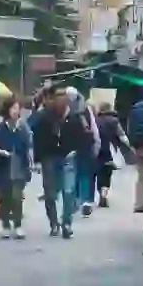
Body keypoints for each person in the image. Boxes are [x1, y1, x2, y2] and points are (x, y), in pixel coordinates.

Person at [31, 90, 82, 239]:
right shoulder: (45, 117)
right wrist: (38, 160)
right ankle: (54, 223)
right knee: (50, 193)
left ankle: (66, 223)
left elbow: (81, 136)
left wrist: (76, 150)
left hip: (68, 157)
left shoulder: (74, 117)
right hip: (49, 157)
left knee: (68, 191)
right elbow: (37, 138)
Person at [0, 97, 32, 239]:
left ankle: (18, 225)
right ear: (7, 110)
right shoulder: (0, 127)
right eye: (13, 108)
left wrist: (31, 162)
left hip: (19, 165)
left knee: (17, 197)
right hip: (3, 166)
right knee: (5, 197)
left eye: (17, 108)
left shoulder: (23, 126)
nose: (15, 111)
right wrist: (4, 153)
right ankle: (6, 225)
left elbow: (29, 146)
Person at [63, 88, 102, 218]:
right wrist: (97, 144)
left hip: (71, 147)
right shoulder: (85, 109)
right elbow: (93, 128)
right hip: (85, 145)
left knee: (74, 174)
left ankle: (76, 201)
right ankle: (83, 201)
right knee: (84, 174)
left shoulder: (65, 110)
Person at [94, 102, 131, 208]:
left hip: (98, 150)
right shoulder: (114, 121)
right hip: (110, 150)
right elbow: (122, 135)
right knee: (107, 173)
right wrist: (128, 146)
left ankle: (100, 191)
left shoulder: (96, 120)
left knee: (100, 173)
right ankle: (104, 193)